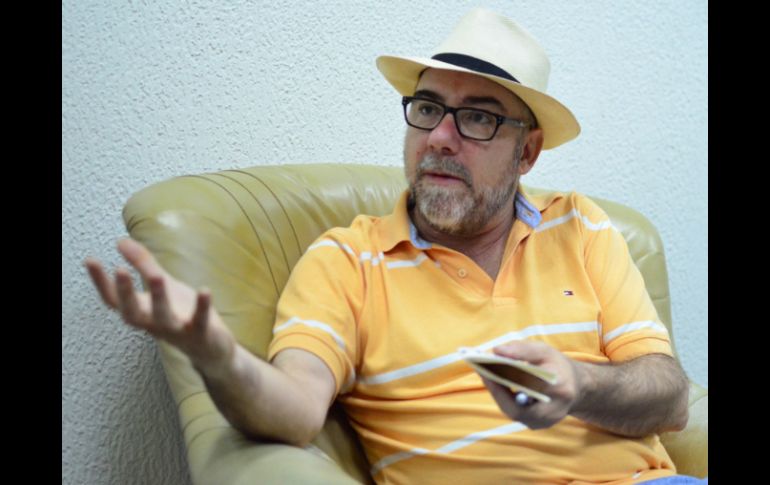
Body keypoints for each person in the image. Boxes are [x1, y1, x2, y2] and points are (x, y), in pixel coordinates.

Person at [85, 8, 705, 484]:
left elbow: (669, 397)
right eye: (428, 107)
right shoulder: (348, 261)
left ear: (528, 152)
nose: (439, 137)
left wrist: (579, 384)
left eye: (478, 117)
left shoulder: (582, 227)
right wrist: (219, 356)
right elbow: (295, 406)